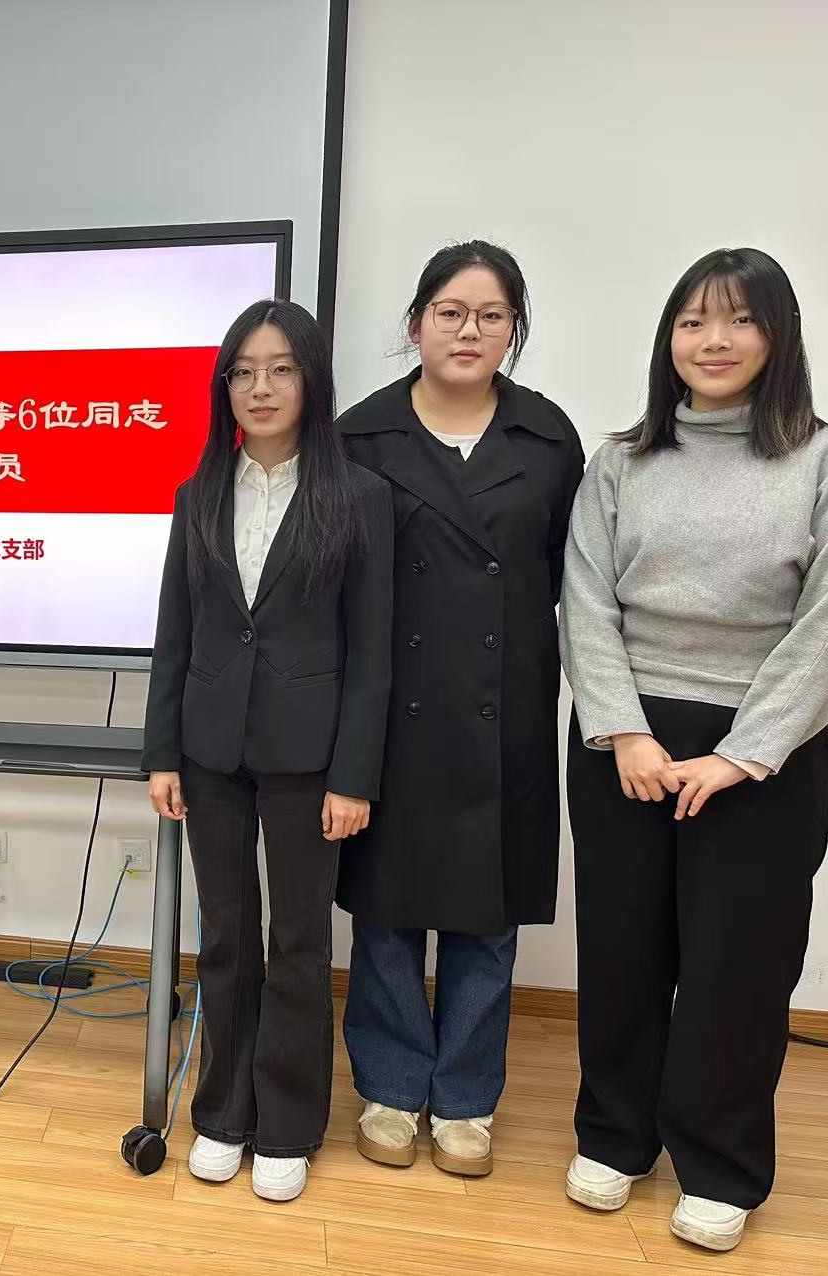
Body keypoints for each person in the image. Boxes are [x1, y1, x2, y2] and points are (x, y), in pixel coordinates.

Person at [560, 247, 828, 1252]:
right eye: (693, 322)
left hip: (763, 753)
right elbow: (584, 602)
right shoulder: (621, 462)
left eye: (738, 321)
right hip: (626, 742)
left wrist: (743, 753)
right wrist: (626, 731)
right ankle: (615, 1135)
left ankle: (720, 1164)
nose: (713, 341)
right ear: (670, 340)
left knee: (740, 965)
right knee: (623, 949)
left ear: (777, 337)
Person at [334, 241, 585, 1177]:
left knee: (488, 913)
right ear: (416, 324)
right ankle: (392, 1088)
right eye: (450, 311)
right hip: (391, 711)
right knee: (389, 911)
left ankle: (468, 1100)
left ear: (513, 329)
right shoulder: (360, 437)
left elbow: (568, 578)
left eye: (491, 314)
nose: (469, 330)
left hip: (503, 708)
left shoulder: (547, 438)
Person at [143, 298, 393, 1201]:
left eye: (281, 369)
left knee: (296, 943)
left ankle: (287, 1124)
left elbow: (371, 654)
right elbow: (176, 633)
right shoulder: (199, 492)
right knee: (224, 938)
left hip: (309, 759)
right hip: (209, 753)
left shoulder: (358, 498)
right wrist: (162, 753)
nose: (261, 387)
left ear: (311, 380)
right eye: (243, 372)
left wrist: (354, 775)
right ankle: (222, 1113)